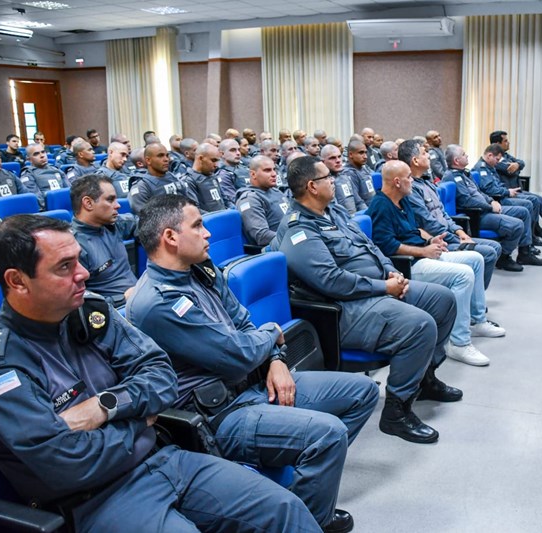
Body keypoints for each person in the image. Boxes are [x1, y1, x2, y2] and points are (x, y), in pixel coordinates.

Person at [0, 214, 321, 532]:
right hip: (97, 498)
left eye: (79, 259)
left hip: (164, 459)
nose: (84, 274)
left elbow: (161, 375)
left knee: (285, 510)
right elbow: (66, 463)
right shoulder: (3, 363)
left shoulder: (90, 310)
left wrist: (105, 405)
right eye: (65, 267)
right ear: (17, 280)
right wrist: (138, 421)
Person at [127, 194, 376, 532]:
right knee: (328, 435)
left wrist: (275, 359)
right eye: (198, 226)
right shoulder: (158, 302)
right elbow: (238, 354)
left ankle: (301, 503)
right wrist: (272, 333)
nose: (208, 234)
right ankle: (307, 521)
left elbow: (244, 323)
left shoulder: (201, 271)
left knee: (362, 393)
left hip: (256, 384)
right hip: (220, 415)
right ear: (170, 237)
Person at [271, 156, 461, 444]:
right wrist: (384, 287)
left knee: (443, 300)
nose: (334, 181)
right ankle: (397, 411)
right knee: (420, 325)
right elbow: (331, 281)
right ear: (312, 186)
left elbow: (369, 246)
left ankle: (425, 378)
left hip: (375, 289)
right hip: (343, 309)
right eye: (327, 178)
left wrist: (391, 270)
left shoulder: (332, 211)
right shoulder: (299, 230)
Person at [368, 159, 504, 367]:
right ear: (397, 182)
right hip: (407, 264)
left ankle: (477, 320)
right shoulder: (380, 206)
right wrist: (424, 250)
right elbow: (388, 246)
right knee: (463, 274)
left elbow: (415, 230)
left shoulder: (403, 199)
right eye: (408, 178)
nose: (412, 181)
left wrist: (431, 240)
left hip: (423, 252)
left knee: (476, 259)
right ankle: (458, 342)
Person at [399, 140, 502, 290]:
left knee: (495, 246)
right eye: (424, 153)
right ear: (415, 160)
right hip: (439, 241)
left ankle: (473, 294)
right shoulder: (411, 189)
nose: (429, 156)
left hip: (450, 235)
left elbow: (443, 214)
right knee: (488, 252)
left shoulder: (427, 183)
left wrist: (461, 232)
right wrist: (455, 238)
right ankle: (472, 296)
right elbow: (428, 223)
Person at [442, 145, 536, 270]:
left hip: (486, 209)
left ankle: (519, 252)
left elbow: (479, 192)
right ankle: (504, 257)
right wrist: (489, 207)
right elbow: (467, 201)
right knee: (517, 225)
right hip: (476, 215)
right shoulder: (452, 176)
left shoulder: (464, 173)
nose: (467, 155)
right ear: (456, 161)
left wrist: (492, 201)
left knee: (523, 212)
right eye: (464, 154)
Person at [489, 130, 542, 239]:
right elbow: (510, 171)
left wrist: (516, 164)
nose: (508, 143)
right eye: (505, 141)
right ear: (497, 144)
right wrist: (516, 167)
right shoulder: (494, 159)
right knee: (534, 201)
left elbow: (521, 162)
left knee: (539, 199)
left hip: (516, 190)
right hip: (508, 192)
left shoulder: (505, 155)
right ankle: (535, 232)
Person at [70, 174, 137, 308]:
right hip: (113, 312)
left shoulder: (114, 224)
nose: (117, 205)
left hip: (139, 297)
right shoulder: (73, 246)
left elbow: (149, 225)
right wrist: (121, 299)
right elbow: (77, 299)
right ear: (88, 203)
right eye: (110, 200)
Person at [236, 155, 291, 248]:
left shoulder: (276, 191)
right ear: (253, 174)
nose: (274, 174)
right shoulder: (250, 199)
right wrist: (293, 237)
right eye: (267, 170)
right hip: (278, 248)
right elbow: (262, 236)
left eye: (274, 169)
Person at [128, 143, 192, 216]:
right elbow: (145, 219)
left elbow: (189, 203)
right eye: (160, 156)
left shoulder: (173, 177)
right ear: (148, 160)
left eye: (167, 155)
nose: (166, 159)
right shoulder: (142, 187)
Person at [180, 143, 229, 213]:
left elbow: (225, 200)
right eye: (213, 160)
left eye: (217, 161)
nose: (216, 165)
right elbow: (195, 210)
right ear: (200, 158)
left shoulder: (213, 176)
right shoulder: (188, 180)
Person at [19, 143, 70, 209]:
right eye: (36, 154)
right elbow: (38, 200)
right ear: (29, 159)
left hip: (65, 206)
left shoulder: (56, 170)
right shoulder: (28, 174)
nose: (42, 155)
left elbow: (69, 190)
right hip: (47, 210)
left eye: (43, 152)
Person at [322, 144, 366, 215]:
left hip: (355, 220)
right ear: (323, 162)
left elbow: (359, 202)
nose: (338, 161)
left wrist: (368, 215)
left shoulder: (345, 177)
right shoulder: (323, 182)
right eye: (332, 158)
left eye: (339, 156)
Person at [215, 138, 250, 206]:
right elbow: (233, 200)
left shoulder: (245, 169)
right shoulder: (223, 175)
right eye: (233, 150)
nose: (238, 153)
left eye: (239, 150)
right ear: (222, 154)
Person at [342, 139, 376, 204]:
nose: (365, 156)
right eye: (361, 153)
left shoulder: (364, 168)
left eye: (366, 152)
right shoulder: (349, 173)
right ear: (351, 154)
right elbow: (358, 202)